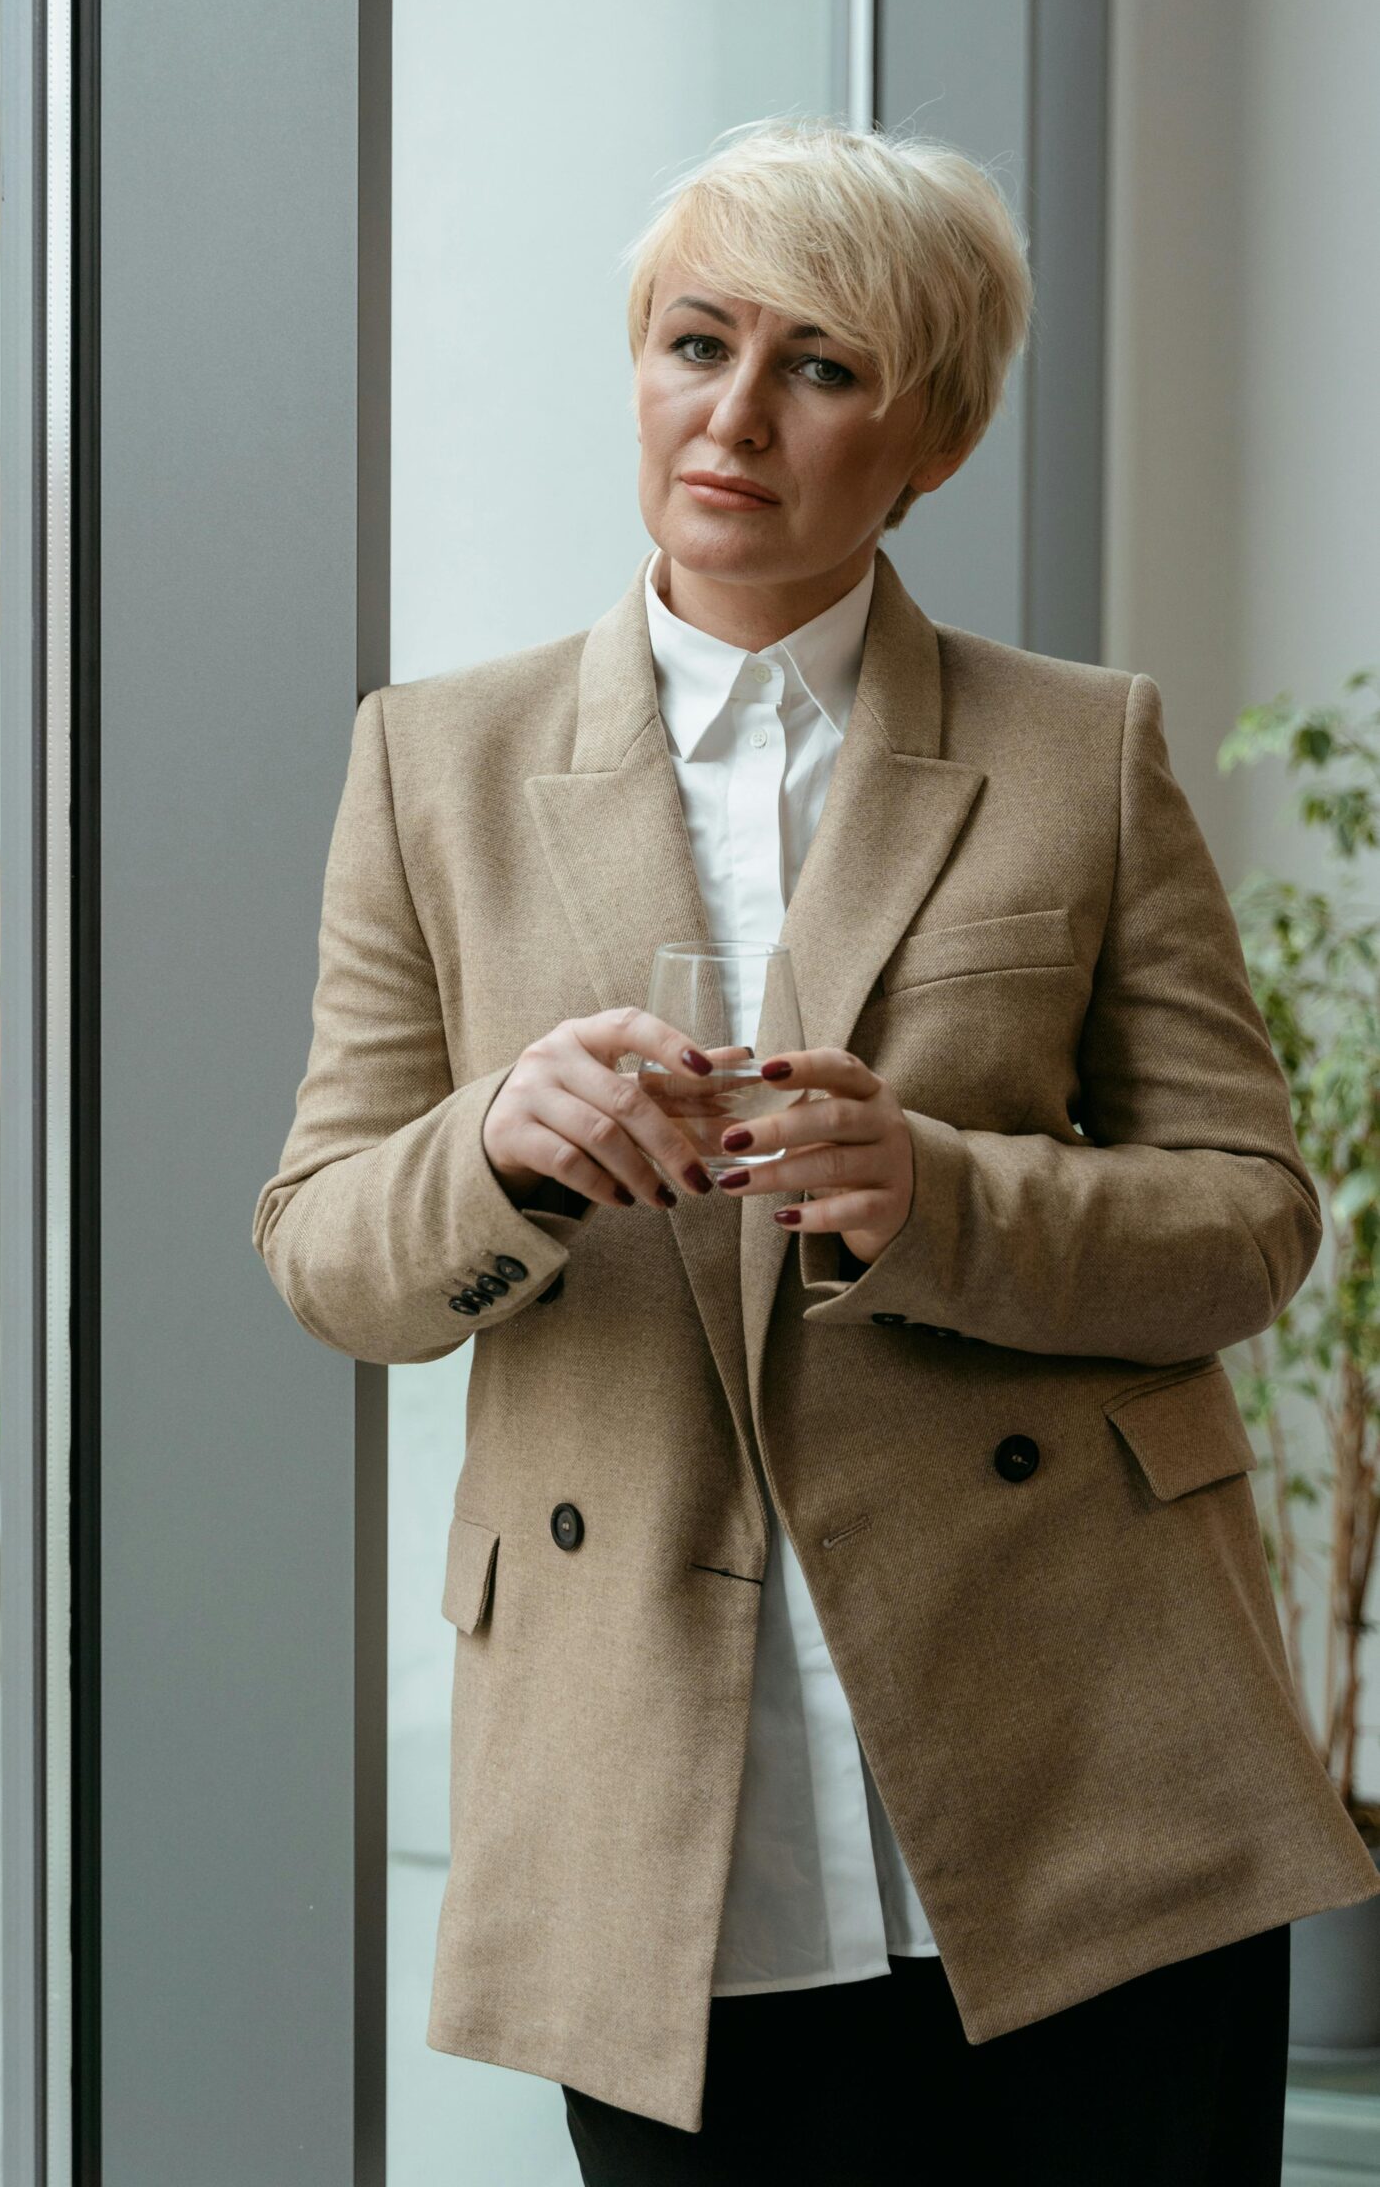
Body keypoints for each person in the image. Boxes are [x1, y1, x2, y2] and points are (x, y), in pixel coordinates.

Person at [251, 117, 1379, 2184]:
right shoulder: (434, 761)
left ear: (929, 436)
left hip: (1086, 1765)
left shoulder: (1081, 747)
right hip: (659, 1801)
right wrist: (498, 1150)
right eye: (697, 342)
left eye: (823, 366)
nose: (736, 414)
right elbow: (325, 1247)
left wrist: (941, 1196)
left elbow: (1247, 1221)